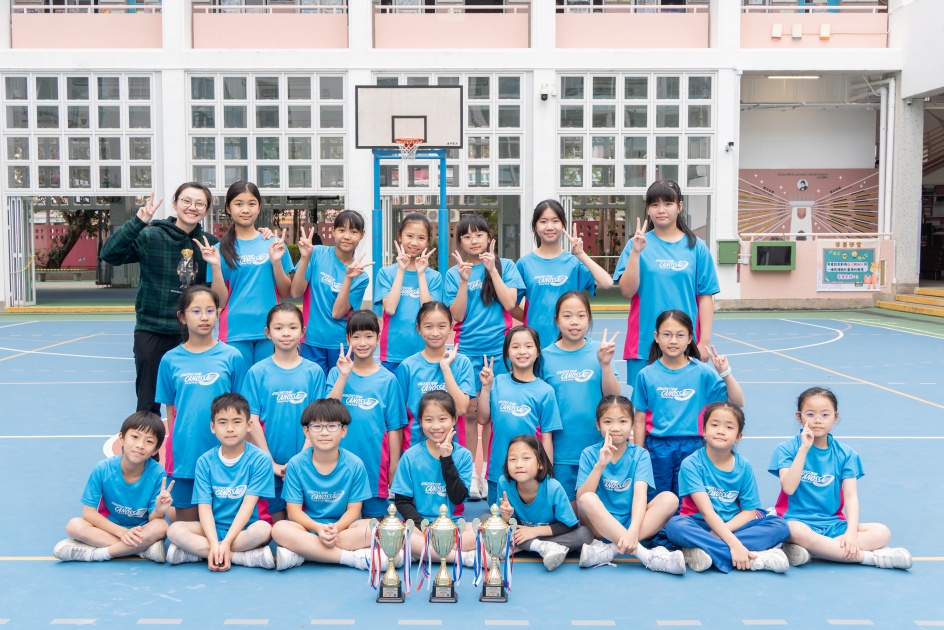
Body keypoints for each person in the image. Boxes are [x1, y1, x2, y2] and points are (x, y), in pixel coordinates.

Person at [100, 184, 216, 414]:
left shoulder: (209, 243)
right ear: (175, 204)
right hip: (152, 328)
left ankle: (186, 439)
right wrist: (138, 221)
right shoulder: (150, 235)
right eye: (186, 201)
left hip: (193, 332)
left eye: (199, 204)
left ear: (206, 210)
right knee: (147, 403)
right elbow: (110, 254)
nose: (192, 207)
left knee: (190, 401)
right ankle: (147, 439)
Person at [768, 387, 912, 569]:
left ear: (835, 417)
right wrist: (803, 449)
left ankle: (813, 551)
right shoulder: (786, 449)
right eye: (810, 414)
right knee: (795, 531)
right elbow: (788, 488)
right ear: (799, 417)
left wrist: (851, 532)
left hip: (833, 524)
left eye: (825, 415)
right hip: (796, 521)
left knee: (882, 532)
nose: (818, 420)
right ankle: (871, 558)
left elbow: (851, 496)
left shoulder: (846, 454)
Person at [445, 215, 525, 499]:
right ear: (460, 242)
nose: (473, 240)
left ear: (490, 238)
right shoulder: (454, 273)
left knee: (494, 413)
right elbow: (456, 316)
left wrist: (492, 270)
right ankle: (470, 474)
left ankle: (491, 472)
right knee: (468, 411)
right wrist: (464, 281)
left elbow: (510, 303)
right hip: (466, 351)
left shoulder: (506, 266)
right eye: (467, 236)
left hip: (499, 351)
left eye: (479, 234)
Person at [613, 180, 720, 387]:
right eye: (654, 204)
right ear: (648, 209)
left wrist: (704, 341)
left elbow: (706, 296)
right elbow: (627, 291)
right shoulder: (636, 245)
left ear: (679, 206)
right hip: (644, 343)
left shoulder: (697, 248)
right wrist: (636, 252)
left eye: (668, 203)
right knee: (643, 404)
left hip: (684, 343)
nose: (661, 210)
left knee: (685, 400)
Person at [155, 286, 248, 522]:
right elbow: (171, 413)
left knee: (223, 521)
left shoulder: (232, 356)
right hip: (186, 452)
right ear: (182, 317)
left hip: (224, 452)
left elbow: (241, 409)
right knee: (185, 524)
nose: (204, 317)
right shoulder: (170, 360)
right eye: (196, 311)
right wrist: (174, 450)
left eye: (210, 310)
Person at [665, 403, 791, 573]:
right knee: (675, 526)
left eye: (729, 427)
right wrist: (735, 544)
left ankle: (705, 550)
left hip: (732, 526)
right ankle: (753, 557)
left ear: (738, 437)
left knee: (780, 526)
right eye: (714, 425)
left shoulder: (744, 466)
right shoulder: (691, 464)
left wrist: (721, 535)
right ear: (703, 430)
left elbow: (749, 512)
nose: (720, 431)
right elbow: (707, 512)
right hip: (700, 525)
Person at [631, 309, 744, 500]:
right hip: (657, 448)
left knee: (688, 501)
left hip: (693, 447)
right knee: (657, 499)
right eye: (667, 334)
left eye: (680, 335)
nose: (673, 341)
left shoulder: (702, 372)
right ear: (656, 337)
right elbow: (639, 420)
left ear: (690, 338)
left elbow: (738, 401)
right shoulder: (646, 375)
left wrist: (725, 372)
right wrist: (640, 455)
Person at [575, 396, 685, 574]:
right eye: (608, 421)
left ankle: (610, 549)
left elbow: (640, 495)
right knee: (588, 498)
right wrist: (600, 465)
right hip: (599, 527)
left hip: (634, 526)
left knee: (670, 499)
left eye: (623, 421)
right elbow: (581, 500)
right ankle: (646, 556)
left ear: (633, 424)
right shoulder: (589, 454)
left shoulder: (640, 455)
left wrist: (633, 530)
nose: (615, 427)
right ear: (598, 425)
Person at [165, 393, 275, 570]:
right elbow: (205, 507)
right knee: (174, 530)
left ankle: (202, 553)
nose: (230, 428)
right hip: (213, 529)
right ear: (213, 427)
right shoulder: (204, 461)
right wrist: (214, 542)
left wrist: (227, 542)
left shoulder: (260, 459)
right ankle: (239, 557)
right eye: (222, 422)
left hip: (245, 528)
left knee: (264, 530)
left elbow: (248, 505)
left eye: (237, 422)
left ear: (249, 425)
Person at [191, 181, 293, 368]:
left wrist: (276, 262)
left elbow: (285, 292)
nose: (245, 209)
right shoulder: (218, 250)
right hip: (235, 331)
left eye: (251, 204)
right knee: (238, 385)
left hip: (271, 329)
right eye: (238, 204)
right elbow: (220, 302)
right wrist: (215, 266)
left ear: (259, 208)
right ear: (228, 208)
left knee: (266, 383)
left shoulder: (274, 244)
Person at [241, 303, 326, 523]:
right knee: (276, 525)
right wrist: (270, 462)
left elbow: (317, 420)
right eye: (278, 328)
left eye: (292, 327)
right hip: (267, 464)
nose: (286, 333)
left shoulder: (314, 372)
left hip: (307, 462)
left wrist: (301, 460)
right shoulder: (256, 373)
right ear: (268, 332)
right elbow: (251, 420)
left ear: (303, 331)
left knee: (301, 523)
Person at [271, 399, 379, 571]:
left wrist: (335, 529)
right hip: (308, 528)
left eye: (332, 426)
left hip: (343, 530)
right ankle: (350, 558)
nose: (324, 432)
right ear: (306, 431)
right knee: (279, 529)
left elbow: (354, 510)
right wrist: (318, 528)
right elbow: (293, 511)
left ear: (343, 430)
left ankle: (304, 553)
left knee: (373, 527)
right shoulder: (296, 464)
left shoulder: (355, 464)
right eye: (317, 426)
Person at [53, 412, 173, 563]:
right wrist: (122, 532)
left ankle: (98, 554)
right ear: (121, 438)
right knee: (74, 526)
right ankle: (142, 549)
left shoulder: (157, 473)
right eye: (135, 437)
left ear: (155, 449)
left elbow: (153, 518)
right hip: (110, 528)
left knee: (161, 526)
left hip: (140, 530)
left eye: (149, 441)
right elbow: (89, 513)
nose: (140, 445)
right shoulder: (103, 469)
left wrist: (159, 510)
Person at [539, 291, 620, 503]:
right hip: (560, 453)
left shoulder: (600, 352)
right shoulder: (545, 357)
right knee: (565, 510)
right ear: (556, 320)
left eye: (581, 315)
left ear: (589, 319)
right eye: (567, 316)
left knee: (594, 508)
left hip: (597, 451)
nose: (574, 322)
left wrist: (605, 364)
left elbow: (613, 397)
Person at [326, 310, 407, 519]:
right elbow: (328, 414)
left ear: (378, 338)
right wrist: (343, 376)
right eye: (356, 336)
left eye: (369, 336)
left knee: (375, 524)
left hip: (374, 466)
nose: (362, 343)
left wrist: (394, 466)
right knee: (340, 524)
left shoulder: (388, 380)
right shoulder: (336, 373)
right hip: (338, 465)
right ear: (348, 339)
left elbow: (394, 428)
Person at [478, 326, 562, 506]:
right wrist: (485, 388)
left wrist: (547, 473)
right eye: (515, 346)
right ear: (507, 353)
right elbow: (482, 419)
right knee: (497, 519)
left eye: (528, 346)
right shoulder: (497, 383)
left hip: (529, 475)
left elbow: (547, 437)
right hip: (497, 471)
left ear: (537, 352)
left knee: (528, 519)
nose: (522, 351)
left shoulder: (545, 391)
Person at [391, 390, 477, 566]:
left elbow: (458, 497)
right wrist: (426, 527)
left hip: (453, 526)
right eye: (429, 420)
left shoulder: (464, 456)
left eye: (442, 419)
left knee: (484, 532)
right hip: (419, 527)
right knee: (398, 534)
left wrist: (446, 459)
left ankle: (424, 552)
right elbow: (402, 501)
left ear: (454, 419)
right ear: (420, 421)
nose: (436, 426)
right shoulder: (410, 456)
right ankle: (460, 557)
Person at [515, 199, 613, 348]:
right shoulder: (524, 264)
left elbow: (607, 282)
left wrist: (581, 254)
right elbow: (511, 305)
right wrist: (532, 318)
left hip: (569, 343)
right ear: (535, 226)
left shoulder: (574, 263)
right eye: (543, 221)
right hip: (534, 344)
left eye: (555, 221)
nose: (549, 227)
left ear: (563, 225)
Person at [291, 211, 373, 374]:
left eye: (354, 231)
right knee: (314, 387)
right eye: (342, 230)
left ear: (362, 235)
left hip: (341, 344)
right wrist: (305, 258)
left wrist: (348, 278)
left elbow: (337, 313)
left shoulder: (360, 277)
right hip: (311, 340)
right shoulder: (316, 254)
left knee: (339, 387)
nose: (347, 236)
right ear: (333, 231)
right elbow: (295, 292)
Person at [497, 435, 593, 571]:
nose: (518, 464)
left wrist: (534, 532)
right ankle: (540, 547)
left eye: (526, 458)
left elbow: (569, 526)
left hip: (546, 534)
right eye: (512, 459)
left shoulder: (553, 488)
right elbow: (505, 524)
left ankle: (519, 545)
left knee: (585, 534)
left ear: (540, 463)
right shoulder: (504, 483)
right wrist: (505, 518)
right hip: (520, 533)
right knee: (485, 520)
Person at [395, 301, 476, 451]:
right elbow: (399, 418)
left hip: (452, 450)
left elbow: (461, 409)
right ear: (418, 329)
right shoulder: (407, 367)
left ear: (451, 328)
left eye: (441, 326)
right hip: (415, 448)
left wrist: (445, 368)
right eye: (428, 326)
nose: (435, 333)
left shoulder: (462, 363)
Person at [375, 213, 442, 374]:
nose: (414, 243)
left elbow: (429, 312)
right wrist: (401, 270)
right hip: (393, 352)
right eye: (409, 236)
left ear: (428, 241)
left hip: (425, 352)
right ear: (400, 237)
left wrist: (421, 274)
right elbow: (390, 308)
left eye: (421, 238)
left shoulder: (434, 277)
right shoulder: (386, 273)